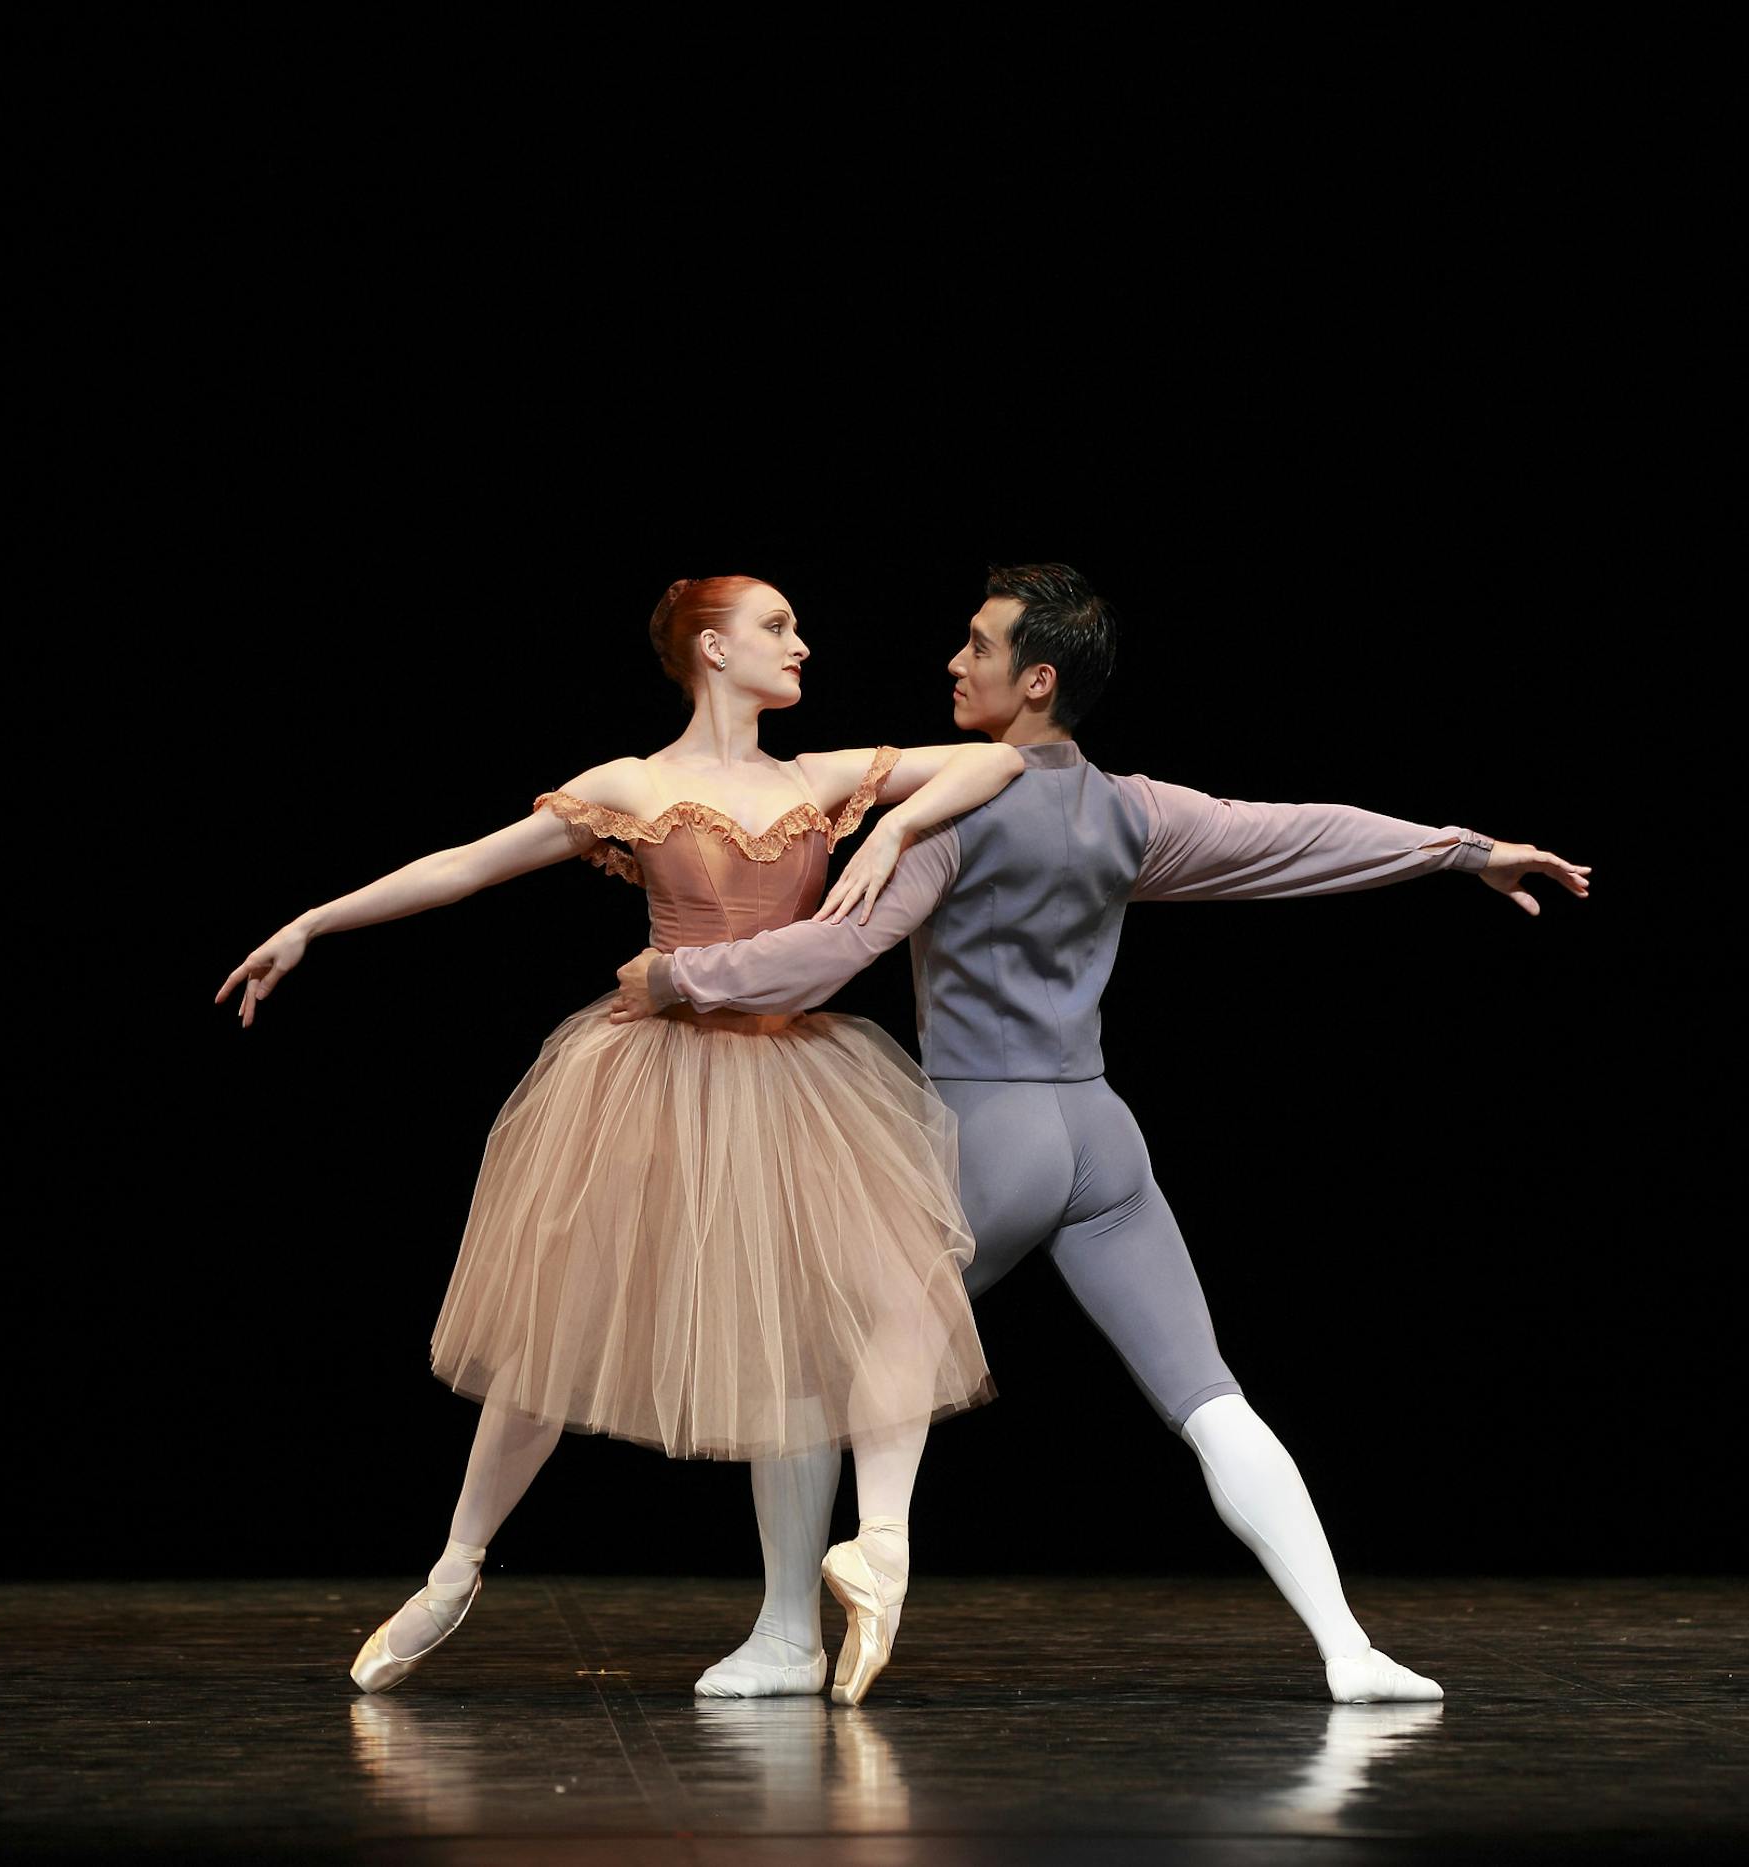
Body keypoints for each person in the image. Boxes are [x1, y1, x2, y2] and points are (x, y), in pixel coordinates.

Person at [610, 563, 1590, 1705]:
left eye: (976, 647)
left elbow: (832, 951)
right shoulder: (1130, 809)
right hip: (1101, 1139)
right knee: (1208, 1392)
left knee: (806, 1364)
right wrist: (1463, 851)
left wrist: (679, 975)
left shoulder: (955, 812)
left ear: (1035, 680)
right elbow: (1296, 835)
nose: (952, 662)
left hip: (986, 1131)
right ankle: (1349, 1646)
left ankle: (791, 1633)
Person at [216, 574, 1020, 1703]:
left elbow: (1000, 760)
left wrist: (894, 828)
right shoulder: (634, 784)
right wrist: (313, 921)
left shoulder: (817, 777)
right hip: (653, 1073)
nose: (803, 643)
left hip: (796, 1072)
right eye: (777, 627)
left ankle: (802, 1612)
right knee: (559, 1315)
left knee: (819, 1333)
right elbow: (468, 863)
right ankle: (455, 1566)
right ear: (709, 647)